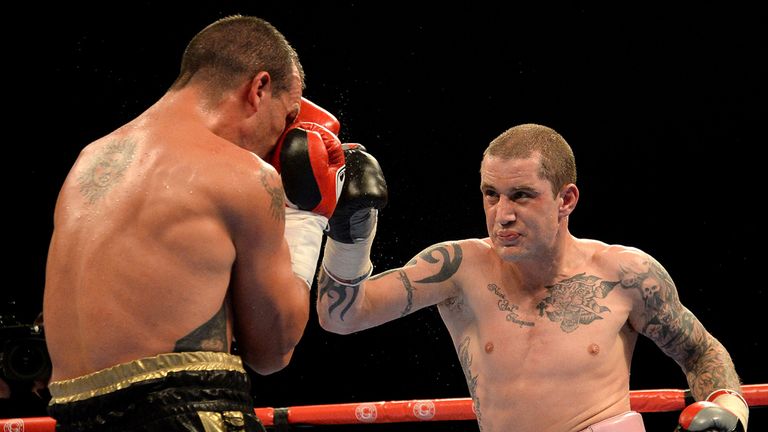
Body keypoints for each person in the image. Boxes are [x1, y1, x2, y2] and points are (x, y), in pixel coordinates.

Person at [316, 123, 749, 431]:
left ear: (566, 199)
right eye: (491, 194)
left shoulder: (625, 273)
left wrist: (729, 406)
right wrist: (350, 233)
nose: (502, 214)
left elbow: (700, 350)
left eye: (522, 196)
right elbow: (341, 318)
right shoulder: (457, 268)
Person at [43, 15, 346, 431]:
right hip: (180, 411)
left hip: (72, 415)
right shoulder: (243, 175)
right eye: (288, 115)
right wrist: (307, 218)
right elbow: (273, 350)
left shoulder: (90, 161)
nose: (283, 137)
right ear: (259, 89)